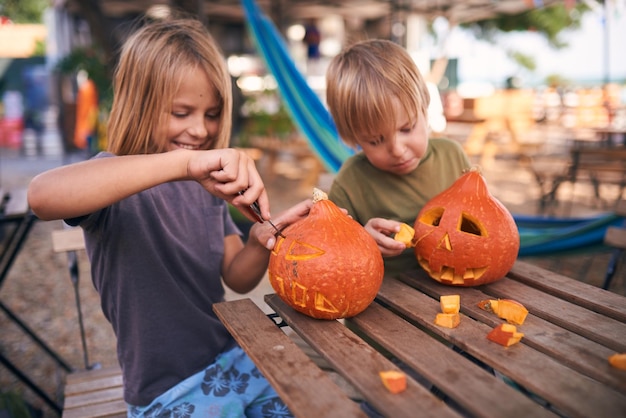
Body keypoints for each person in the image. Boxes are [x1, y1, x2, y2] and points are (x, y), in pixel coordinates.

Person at [28, 16, 309, 417]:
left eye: (212, 114)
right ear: (140, 104)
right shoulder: (114, 183)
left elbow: (235, 275)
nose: (200, 130)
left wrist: (260, 241)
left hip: (230, 360)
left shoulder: (207, 189)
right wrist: (182, 164)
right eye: (182, 113)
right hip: (167, 391)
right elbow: (41, 196)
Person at [325, 39, 471, 278]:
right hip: (383, 305)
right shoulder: (351, 181)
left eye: (407, 128)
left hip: (456, 285)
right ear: (355, 138)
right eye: (375, 140)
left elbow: (483, 219)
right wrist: (362, 240)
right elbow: (330, 258)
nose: (397, 149)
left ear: (424, 107)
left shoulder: (452, 156)